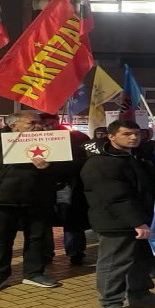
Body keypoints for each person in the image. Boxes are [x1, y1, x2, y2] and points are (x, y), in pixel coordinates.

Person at [82, 120, 155, 308]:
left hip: (143, 219)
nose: (133, 137)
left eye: (136, 134)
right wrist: (137, 222)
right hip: (116, 223)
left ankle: (140, 293)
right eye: (126, 134)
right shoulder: (101, 163)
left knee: (142, 259)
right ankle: (111, 303)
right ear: (111, 136)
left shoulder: (138, 157)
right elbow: (115, 197)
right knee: (115, 263)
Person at [0, 111, 66, 293]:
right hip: (4, 200)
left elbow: (64, 169)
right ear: (14, 125)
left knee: (37, 238)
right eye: (31, 123)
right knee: (1, 239)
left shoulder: (48, 141)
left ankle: (34, 273)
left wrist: (50, 169)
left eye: (39, 123)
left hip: (38, 200)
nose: (38, 126)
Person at [38, 113, 92, 266]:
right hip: (41, 185)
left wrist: (64, 166)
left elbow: (86, 159)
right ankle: (46, 253)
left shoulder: (76, 137)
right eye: (44, 123)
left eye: (50, 122)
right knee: (43, 220)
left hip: (69, 184)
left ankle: (75, 252)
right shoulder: (31, 138)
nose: (47, 126)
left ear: (57, 121)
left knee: (72, 219)